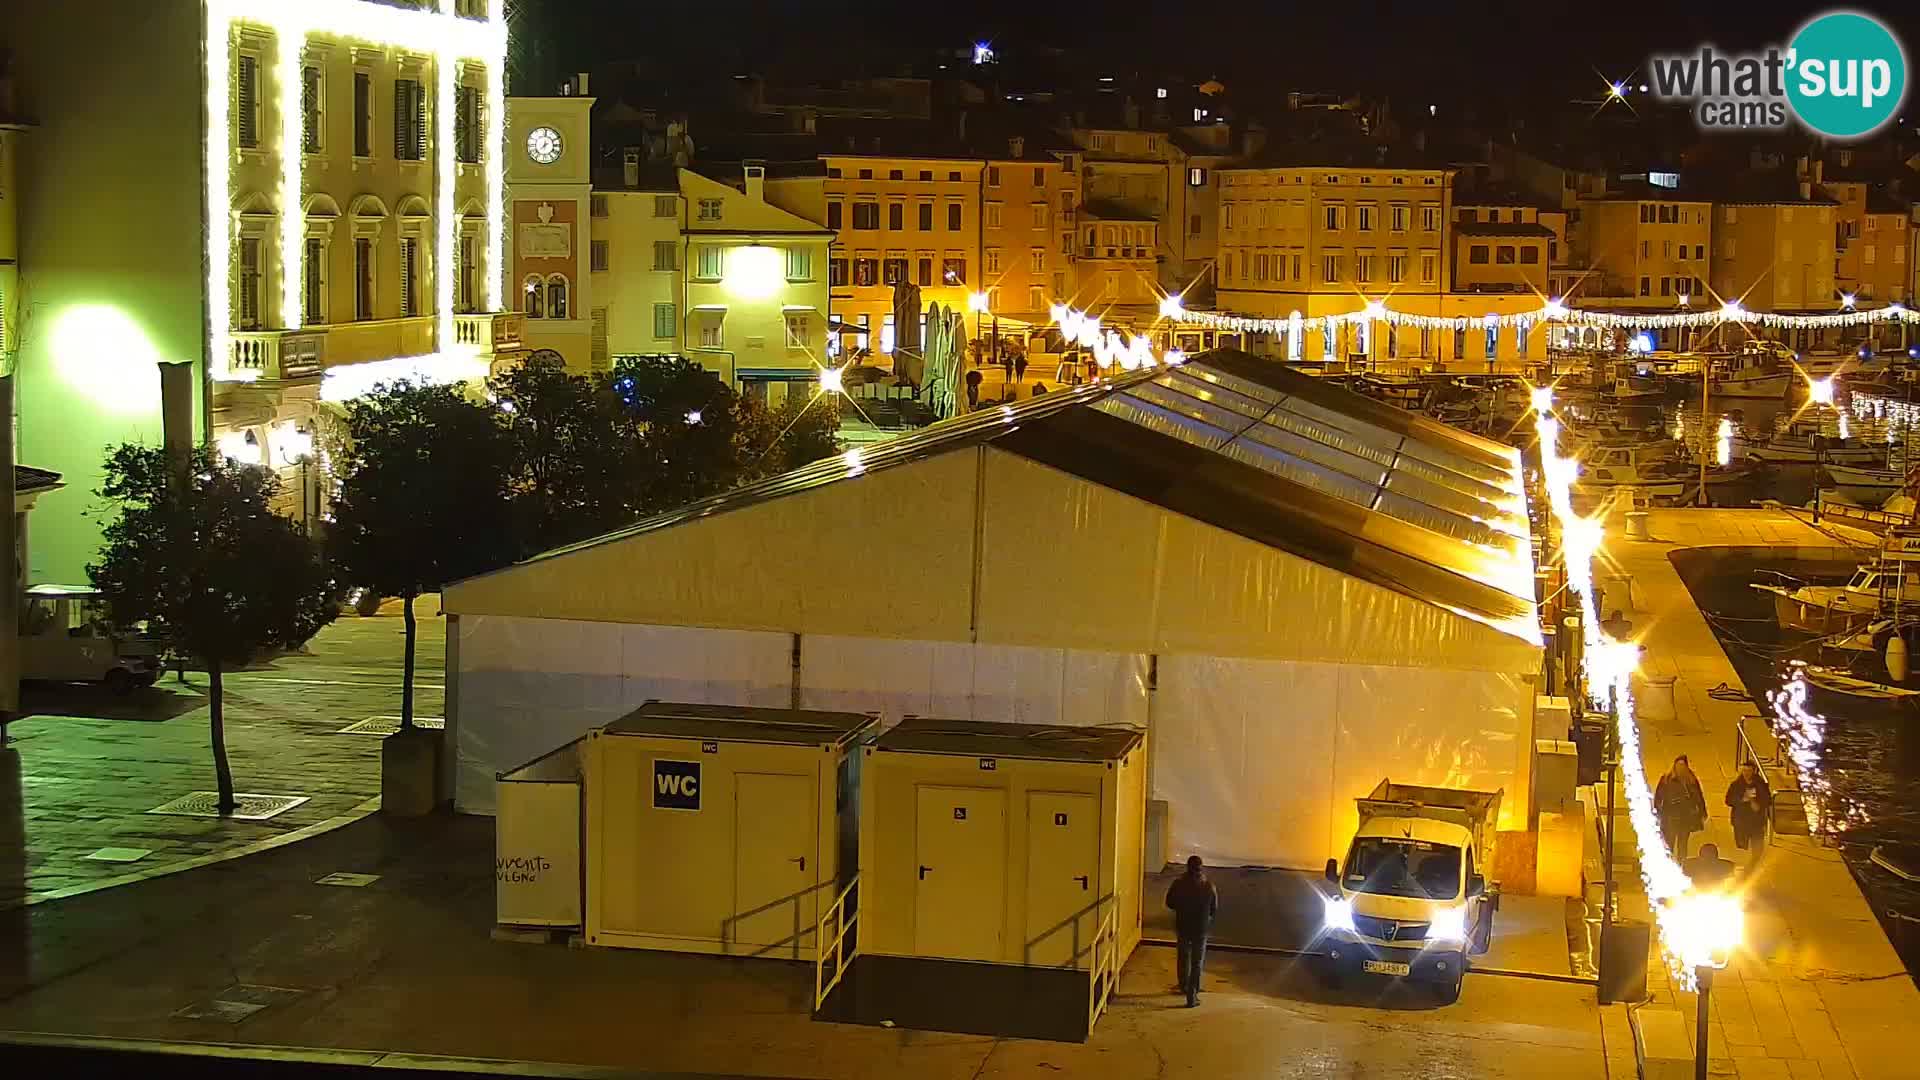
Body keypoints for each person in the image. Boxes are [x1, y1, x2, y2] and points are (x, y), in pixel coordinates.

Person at [1165, 855, 1218, 1008]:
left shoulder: (1178, 884)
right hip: (1201, 928)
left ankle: (1183, 985)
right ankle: (1192, 994)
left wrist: (1181, 907)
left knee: (1183, 956)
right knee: (1197, 961)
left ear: (1187, 867)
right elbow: (1214, 908)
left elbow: (1169, 902)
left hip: (1183, 925)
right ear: (1201, 868)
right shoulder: (1209, 885)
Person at [1653, 755, 1707, 861]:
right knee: (1669, 842)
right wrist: (1658, 811)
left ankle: (1681, 862)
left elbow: (1698, 796)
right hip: (1670, 816)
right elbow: (1658, 797)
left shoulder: (1691, 781)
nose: (1680, 769)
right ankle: (1669, 862)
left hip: (1685, 817)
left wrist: (1702, 811)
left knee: (1683, 843)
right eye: (1678, 766)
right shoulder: (1666, 779)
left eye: (1683, 766)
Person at [1725, 761, 1774, 865]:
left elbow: (1768, 800)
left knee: (1758, 847)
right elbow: (1729, 800)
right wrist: (1742, 799)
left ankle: (1754, 863)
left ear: (1754, 771)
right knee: (1742, 846)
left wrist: (1758, 804)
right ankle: (1746, 864)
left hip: (1757, 821)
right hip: (1742, 820)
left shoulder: (1761, 785)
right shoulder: (1736, 785)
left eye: (1749, 770)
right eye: (1744, 770)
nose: (1746, 773)